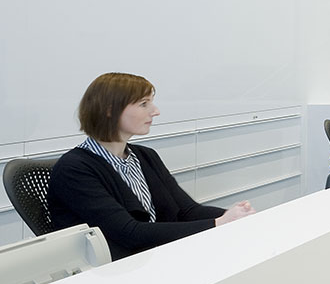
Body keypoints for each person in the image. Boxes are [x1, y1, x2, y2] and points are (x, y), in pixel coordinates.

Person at [49, 73, 254, 260]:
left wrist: (235, 216)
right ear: (109, 110)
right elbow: (129, 233)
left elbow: (187, 211)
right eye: (143, 104)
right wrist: (218, 223)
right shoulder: (74, 169)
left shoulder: (145, 156)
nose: (155, 111)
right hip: (116, 270)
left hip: (153, 257)